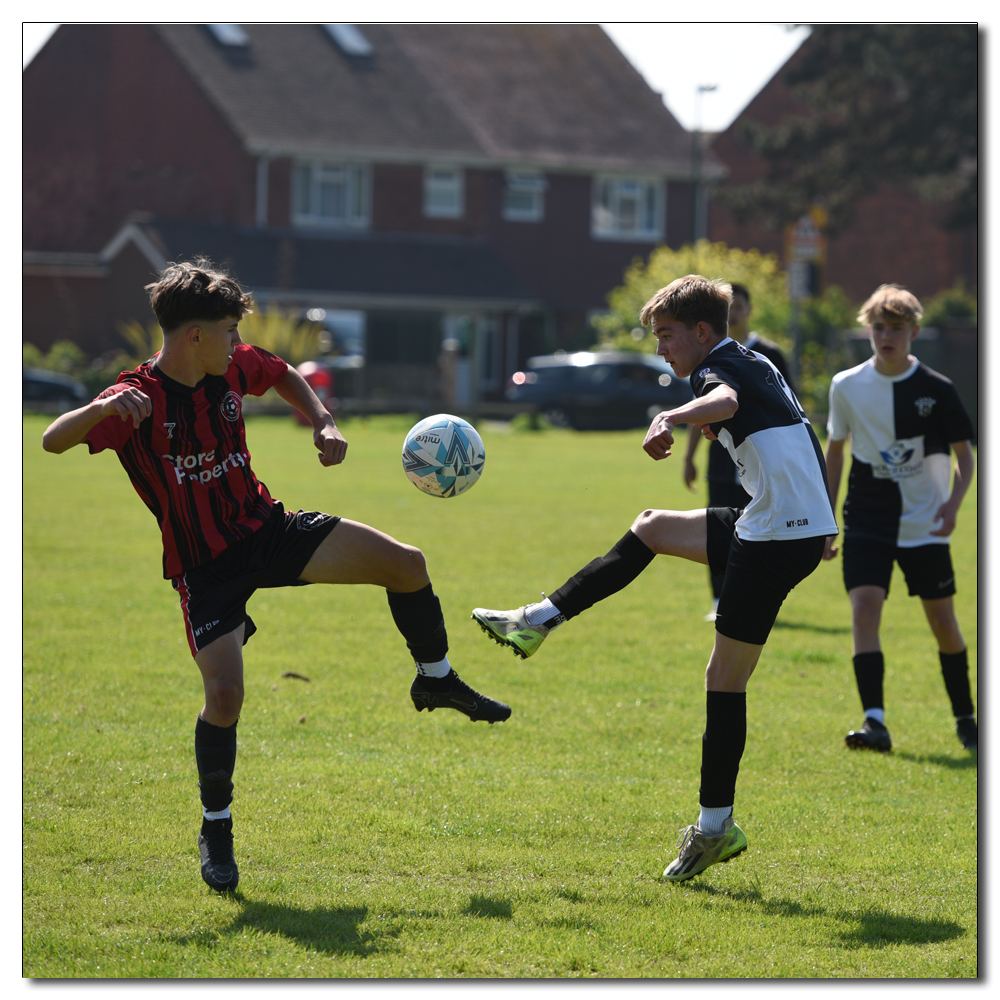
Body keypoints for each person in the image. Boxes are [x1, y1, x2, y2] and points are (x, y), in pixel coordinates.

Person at [41, 259, 511, 893]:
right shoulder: (137, 397)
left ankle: (436, 679)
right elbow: (52, 440)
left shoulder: (230, 366)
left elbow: (285, 373)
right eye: (230, 329)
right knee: (226, 698)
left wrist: (322, 420)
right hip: (204, 568)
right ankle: (216, 829)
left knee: (407, 564)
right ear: (195, 336)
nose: (239, 341)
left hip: (268, 531)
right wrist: (100, 408)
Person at [471, 275, 838, 881]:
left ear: (701, 331)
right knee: (652, 527)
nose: (661, 348)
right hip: (780, 522)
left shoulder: (717, 371)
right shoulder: (751, 359)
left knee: (724, 680)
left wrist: (672, 414)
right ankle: (536, 620)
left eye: (666, 336)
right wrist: (822, 515)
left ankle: (714, 830)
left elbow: (725, 404)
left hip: (775, 534)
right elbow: (795, 431)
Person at [823, 284, 976, 753]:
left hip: (925, 520)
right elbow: (836, 451)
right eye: (878, 328)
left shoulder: (937, 389)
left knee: (943, 622)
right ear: (867, 330)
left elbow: (965, 458)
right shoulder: (845, 385)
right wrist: (826, 518)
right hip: (868, 514)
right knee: (865, 608)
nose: (886, 336)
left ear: (914, 331)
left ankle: (967, 718)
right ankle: (876, 723)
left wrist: (953, 504)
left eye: (895, 328)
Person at [683, 283, 797, 621]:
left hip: (762, 461)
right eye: (728, 309)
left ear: (750, 310)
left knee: (760, 530)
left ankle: (758, 596)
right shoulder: (708, 354)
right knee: (717, 529)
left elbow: (789, 408)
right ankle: (719, 600)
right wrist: (689, 457)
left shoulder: (769, 354)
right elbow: (701, 407)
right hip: (721, 459)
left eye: (740, 307)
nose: (735, 314)